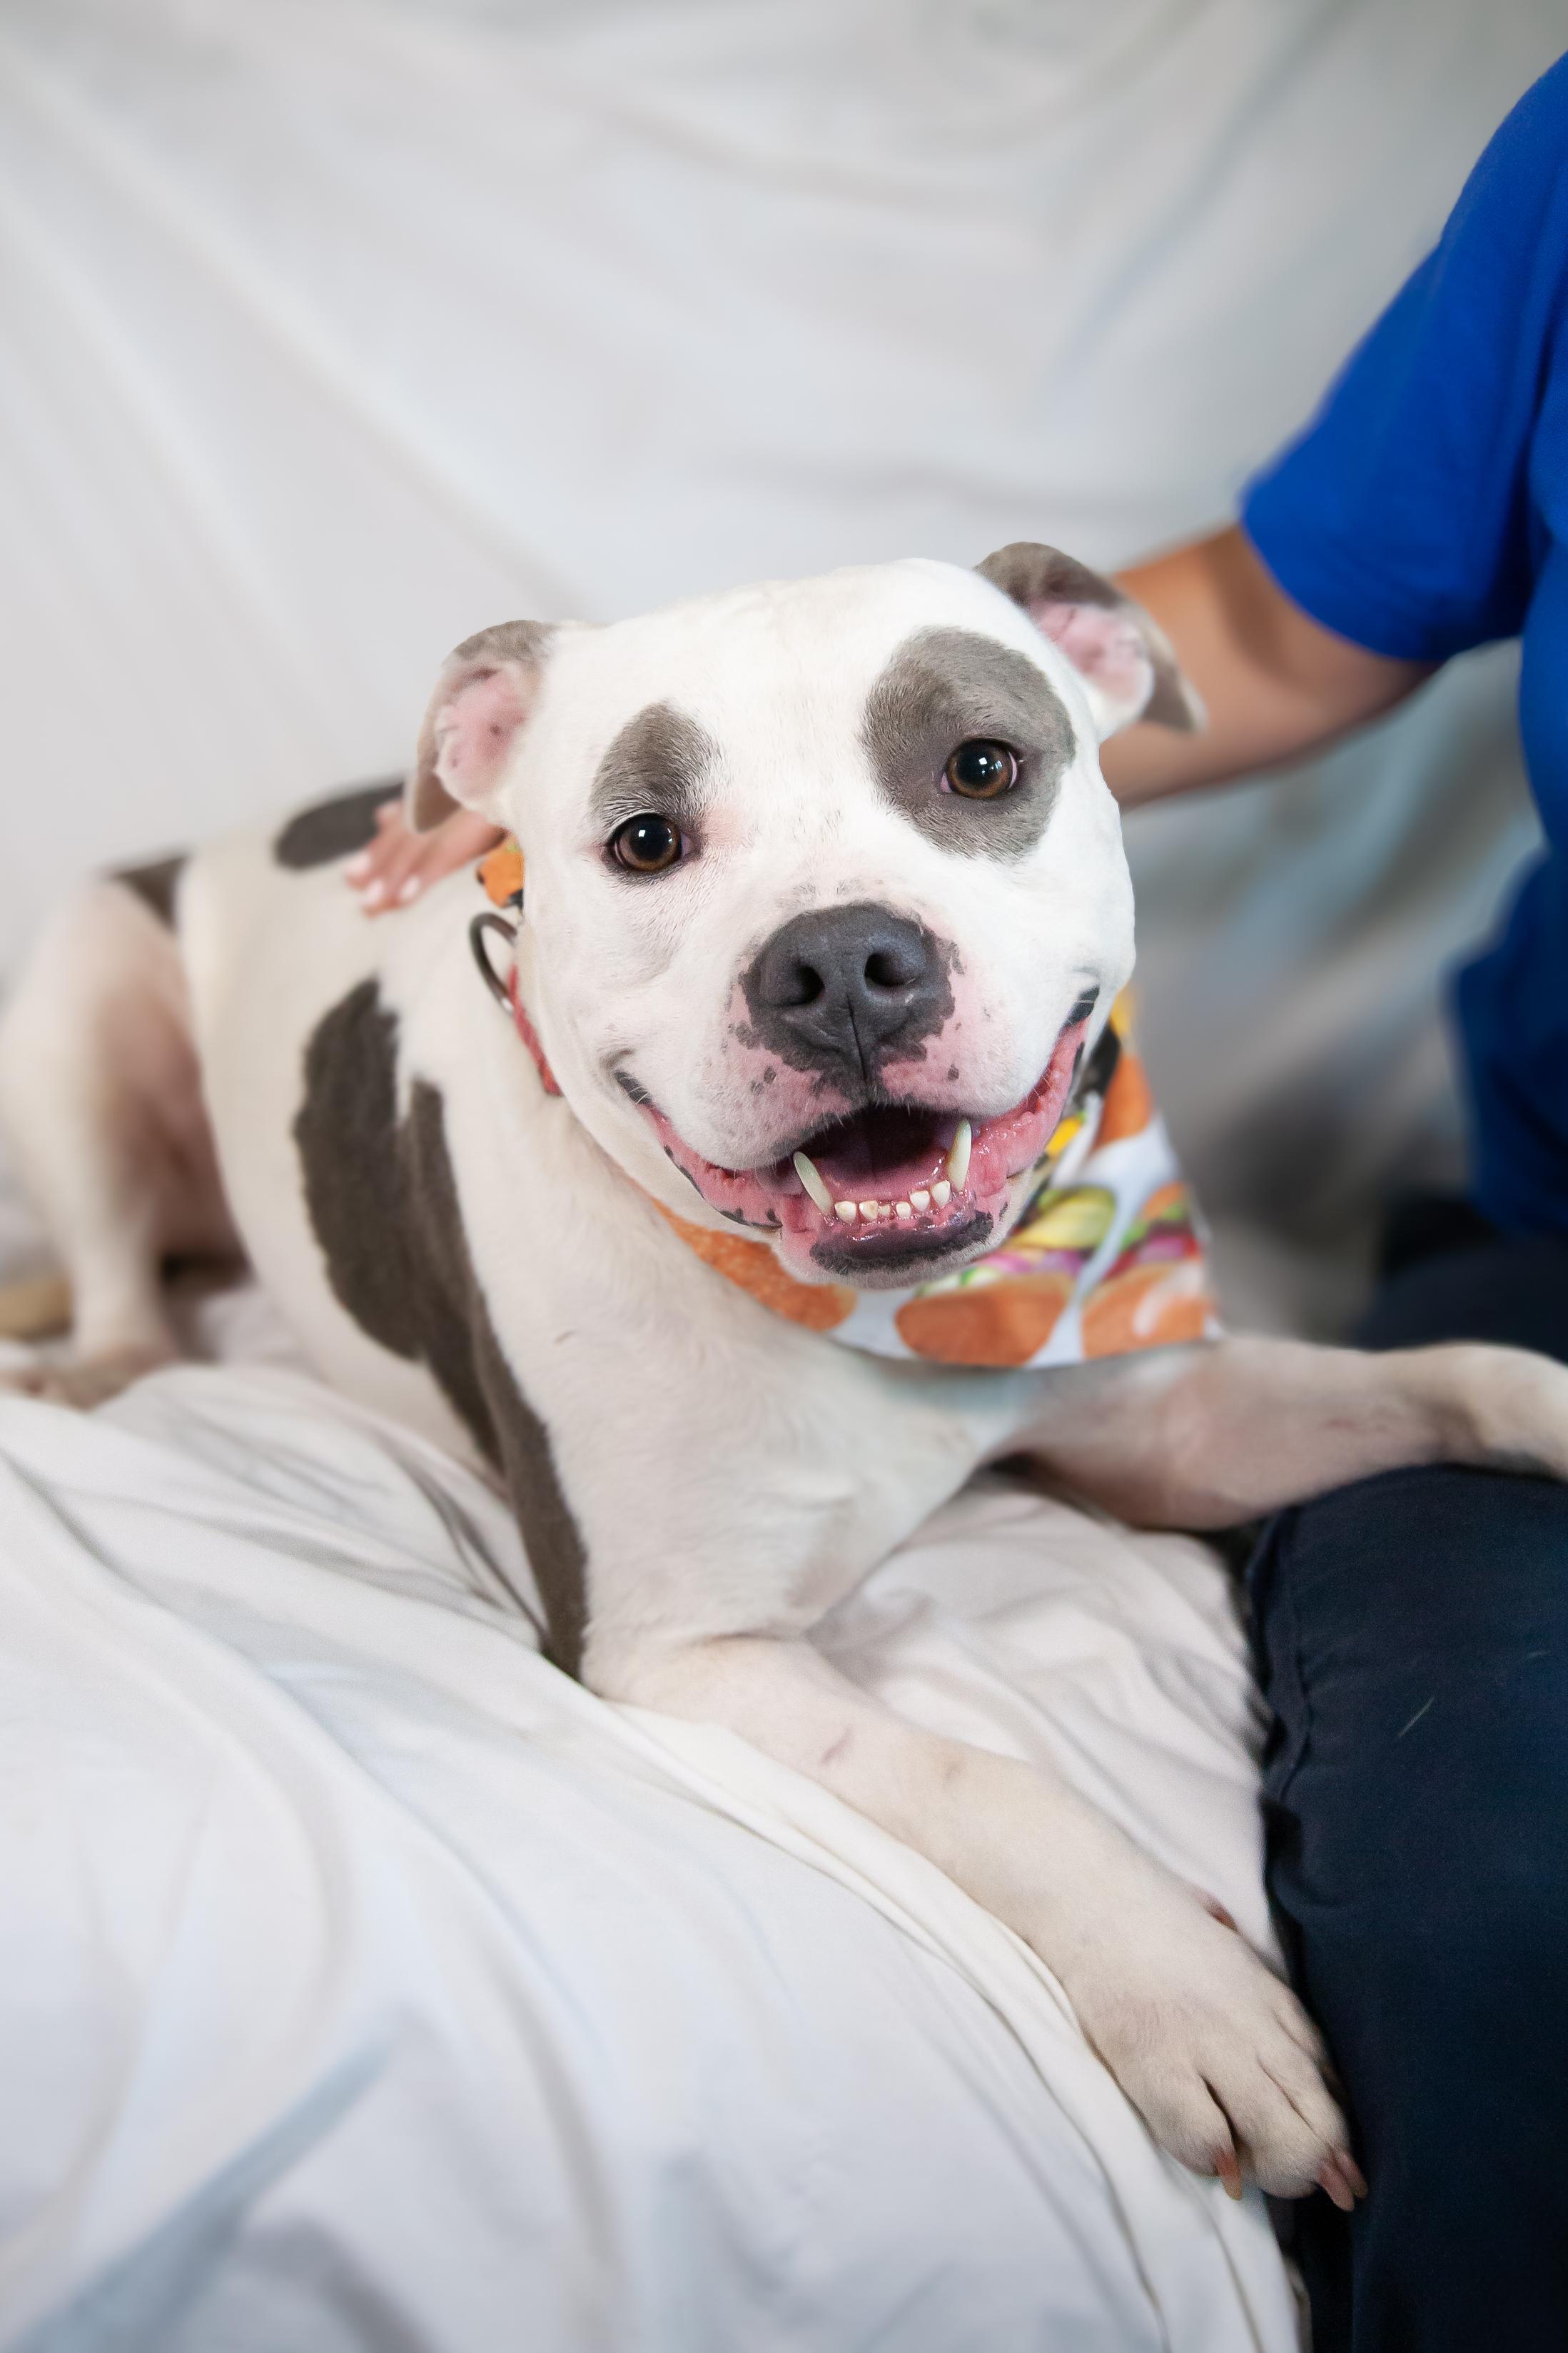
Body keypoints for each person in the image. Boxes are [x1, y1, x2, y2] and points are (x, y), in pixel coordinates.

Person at [352, 54, 1568, 2348]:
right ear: (493, 797)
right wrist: (1066, 1879)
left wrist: (1503, 1406)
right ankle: (120, 1272)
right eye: (649, 846)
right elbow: (674, 1650)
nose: (841, 950)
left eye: (984, 775)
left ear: (1107, 713)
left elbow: (1169, 1421)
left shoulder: (1079, 1193)